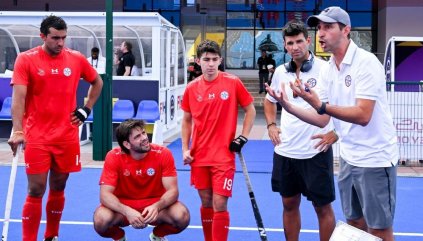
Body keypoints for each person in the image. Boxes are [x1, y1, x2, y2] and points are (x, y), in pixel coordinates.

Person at [267, 6, 399, 241]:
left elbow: (363, 114)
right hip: (349, 158)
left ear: (346, 30)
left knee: (379, 229)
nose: (321, 33)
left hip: (375, 158)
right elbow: (323, 119)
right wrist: (289, 107)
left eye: (328, 27)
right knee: (354, 225)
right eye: (319, 28)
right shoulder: (330, 69)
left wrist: (321, 106)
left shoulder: (366, 63)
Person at [7, 15, 103, 241]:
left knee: (59, 186)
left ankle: (52, 235)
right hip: (37, 137)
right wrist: (18, 130)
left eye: (63, 38)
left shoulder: (76, 59)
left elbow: (97, 82)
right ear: (43, 36)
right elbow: (18, 99)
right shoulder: (26, 60)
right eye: (55, 38)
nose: (60, 43)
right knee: (36, 189)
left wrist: (86, 108)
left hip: (67, 136)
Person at [264, 20, 337, 241]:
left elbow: (343, 106)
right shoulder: (279, 72)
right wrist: (271, 125)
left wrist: (336, 133)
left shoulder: (327, 69)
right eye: (290, 43)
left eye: (299, 41)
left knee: (321, 208)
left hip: (316, 150)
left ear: (308, 40)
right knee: (288, 204)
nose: (295, 46)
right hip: (286, 151)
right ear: (285, 46)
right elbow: (269, 102)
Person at [181, 40, 256, 241]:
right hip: (199, 156)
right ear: (198, 61)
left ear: (220, 60)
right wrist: (184, 149)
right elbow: (186, 120)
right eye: (206, 59)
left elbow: (250, 109)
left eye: (215, 59)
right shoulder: (191, 88)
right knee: (206, 202)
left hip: (223, 156)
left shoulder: (232, 82)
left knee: (220, 203)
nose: (211, 64)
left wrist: (243, 136)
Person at [93, 119, 190, 241]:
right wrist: (127, 211)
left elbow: (173, 191)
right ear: (127, 144)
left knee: (182, 216)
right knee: (101, 220)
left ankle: (157, 236)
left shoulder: (163, 153)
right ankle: (119, 237)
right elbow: (105, 195)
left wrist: (157, 206)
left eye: (144, 133)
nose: (144, 137)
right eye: (138, 136)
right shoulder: (113, 156)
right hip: (123, 206)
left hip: (155, 205)